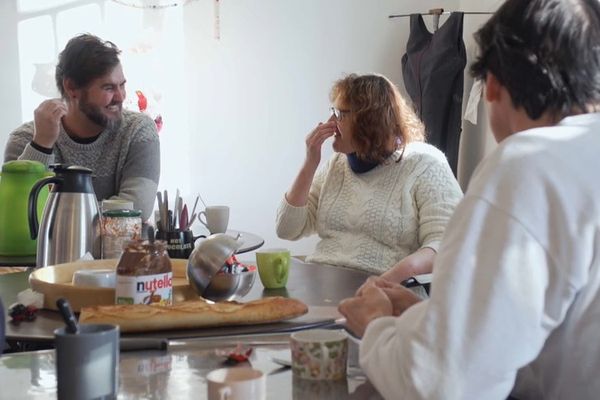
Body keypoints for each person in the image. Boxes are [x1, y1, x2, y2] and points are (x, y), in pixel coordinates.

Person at [338, 0, 600, 399]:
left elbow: (441, 384)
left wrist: (376, 327)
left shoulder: (526, 166)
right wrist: (430, 318)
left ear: (491, 83)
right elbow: (556, 335)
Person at [276, 73, 462, 278]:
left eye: (340, 114)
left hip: (384, 290)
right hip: (324, 282)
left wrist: (386, 282)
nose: (331, 121)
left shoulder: (426, 164)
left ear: (368, 120)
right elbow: (287, 229)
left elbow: (445, 245)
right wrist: (310, 164)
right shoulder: (336, 165)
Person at [4, 34, 160, 221]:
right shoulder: (25, 139)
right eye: (108, 88)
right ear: (71, 87)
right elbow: (21, 217)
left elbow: (136, 208)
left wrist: (56, 215)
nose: (120, 97)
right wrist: (41, 146)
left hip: (119, 251)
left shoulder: (138, 130)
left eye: (122, 85)